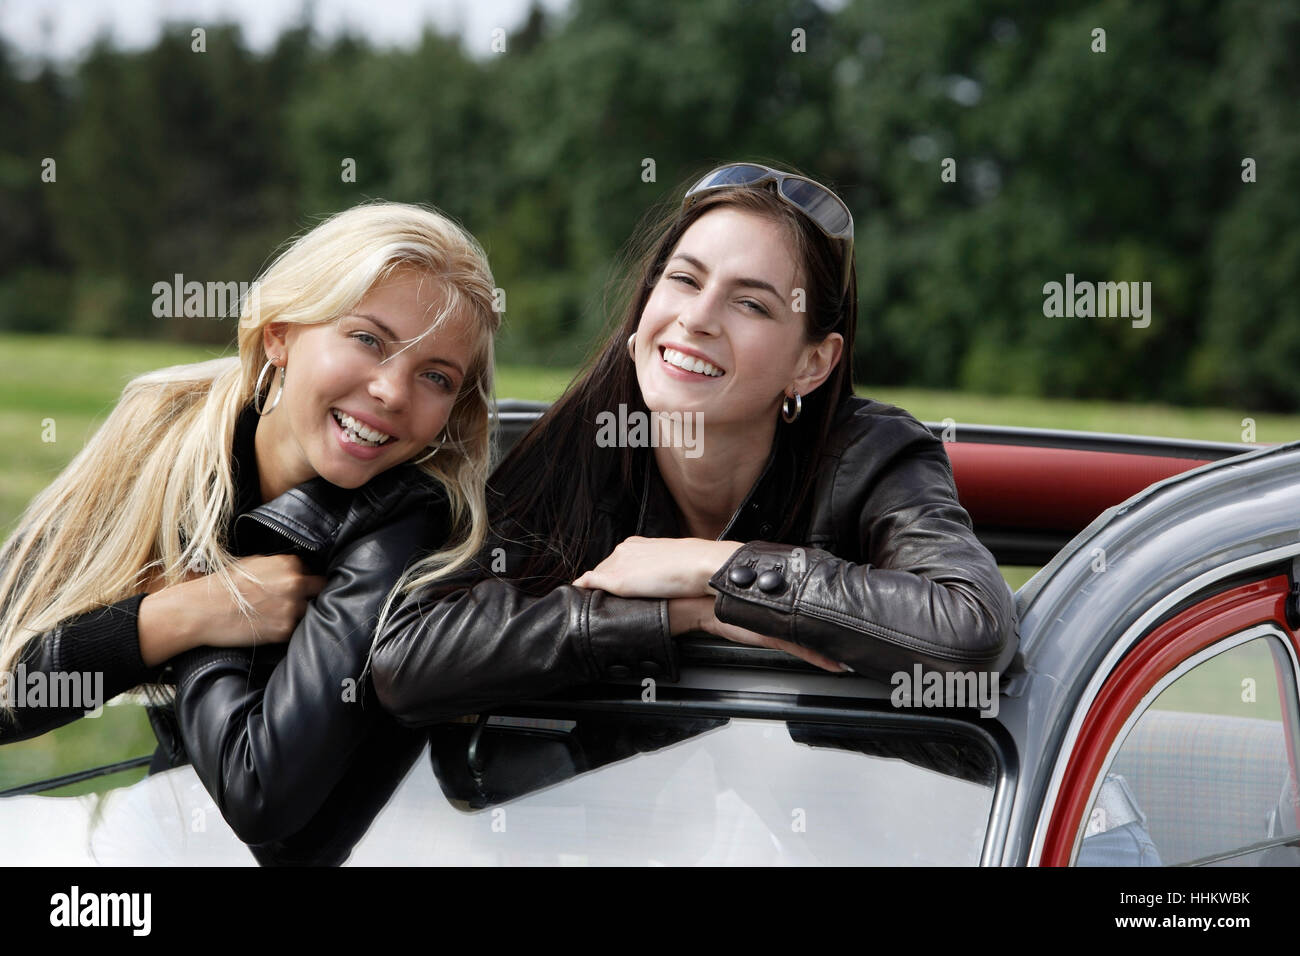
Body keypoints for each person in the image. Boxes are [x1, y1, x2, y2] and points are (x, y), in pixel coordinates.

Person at [368, 163, 1017, 726]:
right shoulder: (568, 446)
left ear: (812, 364)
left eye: (752, 305)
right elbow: (406, 659)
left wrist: (714, 567)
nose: (698, 317)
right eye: (684, 279)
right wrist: (679, 614)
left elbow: (970, 637)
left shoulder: (872, 457)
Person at [0, 201, 500, 864]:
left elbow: (264, 796)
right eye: (368, 339)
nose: (391, 390)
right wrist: (186, 612)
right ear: (280, 334)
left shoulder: (410, 517)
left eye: (435, 376)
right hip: (163, 837)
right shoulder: (165, 431)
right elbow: (13, 681)